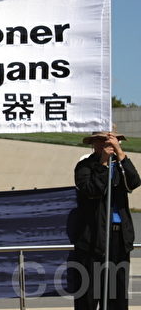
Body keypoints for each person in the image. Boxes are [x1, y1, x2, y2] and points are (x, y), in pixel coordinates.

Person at [72, 131, 140, 309]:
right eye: (102, 141)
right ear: (93, 144)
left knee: (116, 294)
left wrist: (121, 155)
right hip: (93, 238)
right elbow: (92, 190)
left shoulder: (120, 166)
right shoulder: (84, 166)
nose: (107, 144)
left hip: (118, 238)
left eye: (112, 141)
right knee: (88, 292)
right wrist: (102, 163)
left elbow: (134, 182)